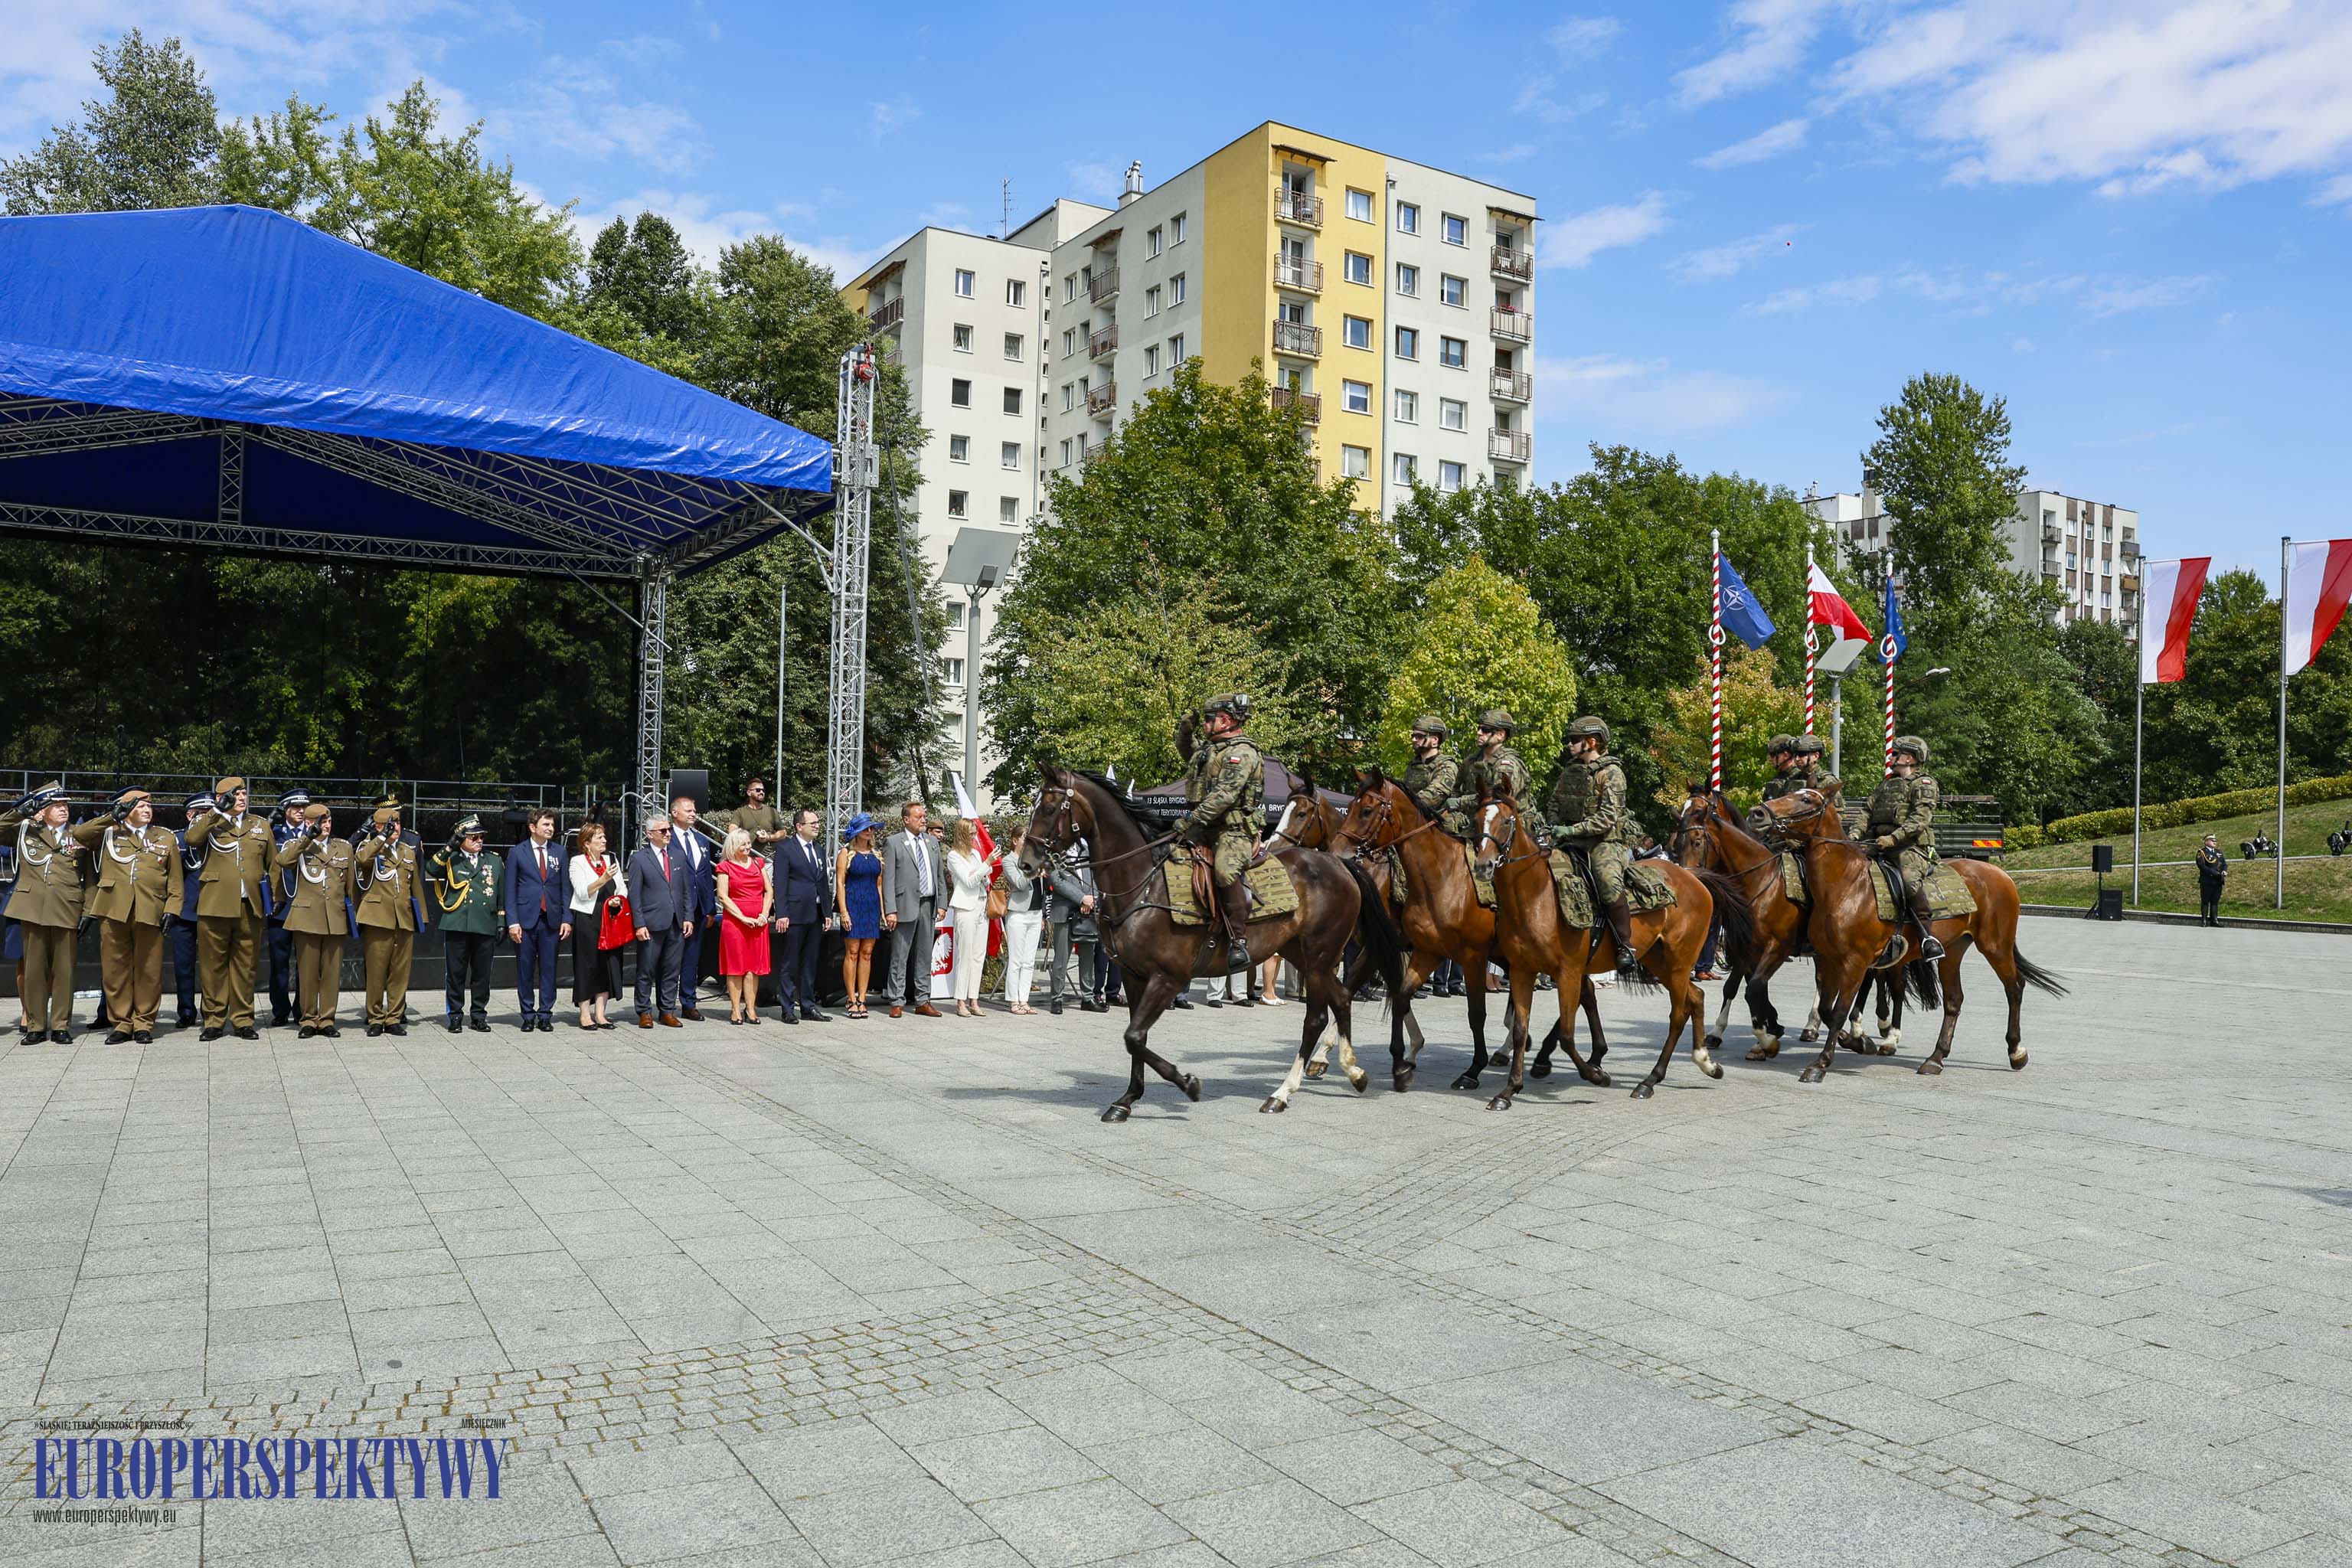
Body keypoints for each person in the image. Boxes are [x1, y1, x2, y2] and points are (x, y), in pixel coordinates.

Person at [73, 788, 181, 1044]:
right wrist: (112, 817)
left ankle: (143, 1023)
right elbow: (80, 833)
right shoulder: (108, 833)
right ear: (125, 809)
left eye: (148, 806)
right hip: (114, 909)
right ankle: (121, 1023)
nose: (147, 810)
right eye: (139, 806)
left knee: (148, 970)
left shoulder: (164, 838)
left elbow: (175, 881)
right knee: (115, 970)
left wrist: (172, 908)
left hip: (150, 909)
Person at [1174, 692, 1265, 975]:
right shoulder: (1211, 751)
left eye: (1209, 720)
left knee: (1225, 871)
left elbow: (1224, 796)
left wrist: (1189, 820)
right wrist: (1184, 732)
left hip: (1233, 831)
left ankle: (1238, 940)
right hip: (1205, 827)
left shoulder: (1243, 753)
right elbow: (1189, 753)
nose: (1206, 724)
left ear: (1225, 721)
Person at [1550, 715, 1645, 982]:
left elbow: (1607, 818)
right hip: (1568, 841)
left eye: (1574, 740)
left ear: (1592, 742)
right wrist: (1555, 825)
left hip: (1605, 842)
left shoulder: (1612, 773)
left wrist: (1572, 830)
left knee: (1606, 880)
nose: (1569, 744)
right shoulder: (1570, 771)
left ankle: (1625, 945)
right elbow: (1554, 803)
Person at [187, 776, 274, 1040]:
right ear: (221, 797)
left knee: (245, 966)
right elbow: (192, 838)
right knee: (213, 966)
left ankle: (242, 1020)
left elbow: (274, 864)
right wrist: (216, 811)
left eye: (244, 793)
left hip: (250, 904)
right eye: (235, 794)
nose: (242, 798)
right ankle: (214, 1020)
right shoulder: (210, 822)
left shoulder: (260, 825)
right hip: (215, 904)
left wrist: (276, 897)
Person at [3, 783, 88, 1041]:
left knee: (64, 970)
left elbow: (91, 876)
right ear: (42, 809)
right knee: (34, 969)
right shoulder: (26, 830)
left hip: (66, 906)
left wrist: (89, 911)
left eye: (65, 805)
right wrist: (19, 812)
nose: (63, 809)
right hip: (32, 908)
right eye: (56, 805)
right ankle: (36, 1025)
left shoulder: (80, 834)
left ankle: (61, 1025)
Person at [1857, 735, 1946, 961]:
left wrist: (1894, 838)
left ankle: (1928, 938)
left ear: (1910, 758)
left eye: (1896, 753)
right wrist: (1854, 835)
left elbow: (1921, 818)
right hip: (1877, 844)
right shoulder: (1886, 785)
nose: (1892, 757)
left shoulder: (1924, 784)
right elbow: (1866, 812)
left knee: (1908, 881)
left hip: (1910, 847)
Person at [275, 802, 355, 1037]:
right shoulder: (296, 845)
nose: (327, 826)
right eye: (322, 822)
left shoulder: (343, 847)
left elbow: (350, 886)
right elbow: (283, 861)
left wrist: (351, 916)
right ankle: (308, 1019)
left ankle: (327, 1018)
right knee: (308, 972)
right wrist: (305, 839)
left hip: (334, 916)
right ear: (309, 823)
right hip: (307, 917)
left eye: (329, 821)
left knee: (331, 972)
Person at [428, 814, 505, 1034]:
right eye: (473, 837)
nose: (479, 840)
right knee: (456, 973)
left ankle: (479, 1015)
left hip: (484, 923)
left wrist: (501, 921)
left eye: (481, 837)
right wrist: (449, 847)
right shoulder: (451, 859)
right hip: (457, 923)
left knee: (482, 974)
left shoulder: (493, 860)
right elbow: (431, 870)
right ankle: (455, 1015)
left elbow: (500, 893)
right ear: (461, 840)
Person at [354, 805, 423, 1035]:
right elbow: (362, 860)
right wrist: (381, 837)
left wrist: (420, 916)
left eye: (398, 824)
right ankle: (375, 1016)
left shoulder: (407, 851)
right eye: (390, 825)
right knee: (376, 971)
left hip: (403, 918)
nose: (397, 828)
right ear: (379, 827)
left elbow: (415, 886)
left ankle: (394, 1016)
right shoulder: (369, 847)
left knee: (400, 971)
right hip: (378, 918)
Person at [505, 808, 569, 1032]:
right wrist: (512, 921)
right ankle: (527, 1015)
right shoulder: (517, 852)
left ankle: (545, 1014)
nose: (551, 829)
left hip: (551, 919)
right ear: (533, 827)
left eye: (552, 825)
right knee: (525, 968)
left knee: (549, 969)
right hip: (525, 920)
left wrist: (566, 918)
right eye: (546, 825)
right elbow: (510, 889)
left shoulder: (559, 852)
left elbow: (565, 889)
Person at [880, 799, 944, 1019]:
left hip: (928, 905)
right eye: (919, 817)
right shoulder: (894, 842)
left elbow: (939, 876)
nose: (923, 820)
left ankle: (923, 1000)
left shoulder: (932, 843)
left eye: (924, 816)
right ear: (906, 819)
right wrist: (890, 909)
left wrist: (942, 903)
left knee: (924, 955)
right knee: (900, 955)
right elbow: (888, 880)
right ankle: (897, 1000)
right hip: (904, 905)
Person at [628, 815, 691, 1027]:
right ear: (650, 834)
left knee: (672, 969)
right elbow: (634, 895)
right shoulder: (639, 859)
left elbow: (685, 891)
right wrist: (639, 923)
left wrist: (688, 917)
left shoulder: (678, 856)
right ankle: (644, 1011)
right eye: (662, 831)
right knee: (646, 969)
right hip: (651, 921)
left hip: (676, 921)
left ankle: (667, 1010)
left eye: (669, 829)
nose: (668, 834)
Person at [770, 807, 831, 1023]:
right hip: (794, 914)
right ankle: (787, 1008)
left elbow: (822, 882)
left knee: (810, 962)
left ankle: (808, 1006)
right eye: (812, 823)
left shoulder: (819, 848)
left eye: (817, 822)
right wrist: (782, 913)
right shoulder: (786, 848)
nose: (816, 826)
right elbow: (780, 882)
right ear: (799, 826)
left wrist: (826, 910)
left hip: (814, 913)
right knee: (790, 962)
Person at [567, 820, 627, 1029]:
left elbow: (621, 887)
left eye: (604, 837)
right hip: (588, 919)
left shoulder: (610, 860)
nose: (604, 840)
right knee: (587, 965)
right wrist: (602, 879)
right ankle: (585, 1014)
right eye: (599, 838)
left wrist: (619, 897)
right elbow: (582, 892)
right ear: (586, 843)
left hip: (609, 918)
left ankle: (601, 1014)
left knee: (607, 965)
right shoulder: (577, 862)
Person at [715, 827, 773, 1024]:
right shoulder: (725, 867)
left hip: (758, 922)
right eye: (744, 844)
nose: (748, 847)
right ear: (733, 846)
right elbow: (723, 896)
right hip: (735, 923)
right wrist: (742, 918)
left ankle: (750, 1008)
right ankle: (735, 1009)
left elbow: (769, 891)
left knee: (753, 968)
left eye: (749, 843)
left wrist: (764, 914)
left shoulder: (759, 863)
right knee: (736, 967)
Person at [265, 787, 312, 1027]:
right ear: (285, 810)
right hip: (280, 905)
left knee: (306, 961)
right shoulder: (273, 833)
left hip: (306, 906)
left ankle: (303, 1008)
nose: (301, 812)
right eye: (295, 808)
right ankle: (280, 1010)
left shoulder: (314, 833)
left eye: (304, 807)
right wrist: (267, 822)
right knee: (279, 961)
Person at [667, 794, 717, 1020]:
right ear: (674, 813)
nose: (693, 813)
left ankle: (688, 1003)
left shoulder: (701, 841)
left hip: (698, 908)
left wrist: (710, 909)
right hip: (674, 908)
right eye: (688, 810)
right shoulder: (666, 839)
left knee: (691, 958)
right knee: (669, 958)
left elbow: (706, 876)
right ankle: (665, 1005)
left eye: (694, 810)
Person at [1443, 710, 1531, 831]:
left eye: (1485, 730)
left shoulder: (1507, 764)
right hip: (1477, 821)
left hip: (1507, 826)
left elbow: (1498, 798)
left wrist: (1460, 802)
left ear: (1501, 734)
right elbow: (1456, 789)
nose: (1479, 733)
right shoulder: (1471, 761)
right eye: (1479, 728)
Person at [835, 814, 884, 1019]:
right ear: (856, 831)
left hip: (871, 906)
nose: (870, 831)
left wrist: (882, 911)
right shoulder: (846, 853)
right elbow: (839, 884)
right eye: (866, 828)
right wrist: (844, 911)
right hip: (853, 905)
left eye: (872, 828)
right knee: (852, 952)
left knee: (867, 952)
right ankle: (850, 998)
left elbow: (879, 885)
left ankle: (862, 998)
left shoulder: (876, 854)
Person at [943, 818, 994, 1016]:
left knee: (978, 956)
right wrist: (985, 865)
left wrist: (984, 868)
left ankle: (974, 999)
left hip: (981, 905)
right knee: (964, 956)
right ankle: (961, 1001)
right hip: (965, 907)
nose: (975, 837)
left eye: (975, 833)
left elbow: (984, 877)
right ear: (963, 834)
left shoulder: (975, 853)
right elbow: (969, 880)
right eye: (971, 834)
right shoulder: (954, 856)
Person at [1046, 855, 1102, 1015]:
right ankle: (1057, 998)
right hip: (1064, 912)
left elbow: (1094, 877)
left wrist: (1091, 901)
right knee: (1061, 958)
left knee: (1087, 956)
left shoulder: (1085, 851)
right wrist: (1081, 898)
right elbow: (1056, 881)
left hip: (1087, 912)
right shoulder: (1055, 854)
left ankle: (1088, 998)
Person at [998, 828, 1045, 1014]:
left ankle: (1024, 999)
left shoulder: (1034, 857)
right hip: (1018, 912)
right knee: (1016, 960)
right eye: (1025, 839)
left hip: (1035, 912)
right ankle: (1013, 1000)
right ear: (1015, 840)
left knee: (1029, 960)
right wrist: (1034, 872)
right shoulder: (1008, 860)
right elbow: (1018, 883)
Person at [168, 793, 206, 1029]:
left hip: (212, 910)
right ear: (190, 815)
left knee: (214, 967)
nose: (205, 816)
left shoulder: (221, 840)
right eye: (200, 812)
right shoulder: (178, 839)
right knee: (183, 965)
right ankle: (186, 1011)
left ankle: (212, 1011)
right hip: (184, 911)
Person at [1401, 715, 1461, 818]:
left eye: (1420, 736)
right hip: (1414, 817)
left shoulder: (1447, 766)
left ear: (1435, 740)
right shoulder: (1414, 765)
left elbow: (1432, 797)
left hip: (1438, 822)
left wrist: (1402, 805)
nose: (1414, 740)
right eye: (1413, 736)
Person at [714, 778, 787, 853]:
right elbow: (732, 829)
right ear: (749, 793)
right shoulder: (740, 812)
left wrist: (768, 837)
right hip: (747, 858)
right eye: (758, 790)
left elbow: (783, 833)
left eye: (763, 790)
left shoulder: (772, 811)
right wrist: (744, 839)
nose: (761, 792)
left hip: (768, 859)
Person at [2196, 834, 2228, 926]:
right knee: (2206, 900)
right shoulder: (2201, 852)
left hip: (2218, 881)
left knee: (2215, 901)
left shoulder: (2219, 852)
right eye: (2212, 840)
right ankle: (2204, 921)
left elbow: (2224, 864)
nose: (2215, 842)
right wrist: (2215, 873)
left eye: (2215, 841)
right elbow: (2202, 866)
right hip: (2207, 880)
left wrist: (2224, 871)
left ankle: (2214, 920)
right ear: (2206, 842)